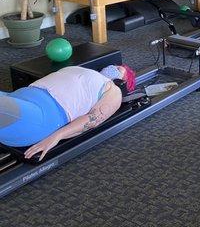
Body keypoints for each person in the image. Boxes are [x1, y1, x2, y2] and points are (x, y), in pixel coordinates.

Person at [0, 64, 135, 160]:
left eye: (120, 70)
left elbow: (93, 119)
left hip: (40, 115)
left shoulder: (113, 90)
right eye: (116, 66)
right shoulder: (79, 69)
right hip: (18, 97)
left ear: (123, 82)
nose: (115, 68)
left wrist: (56, 137)